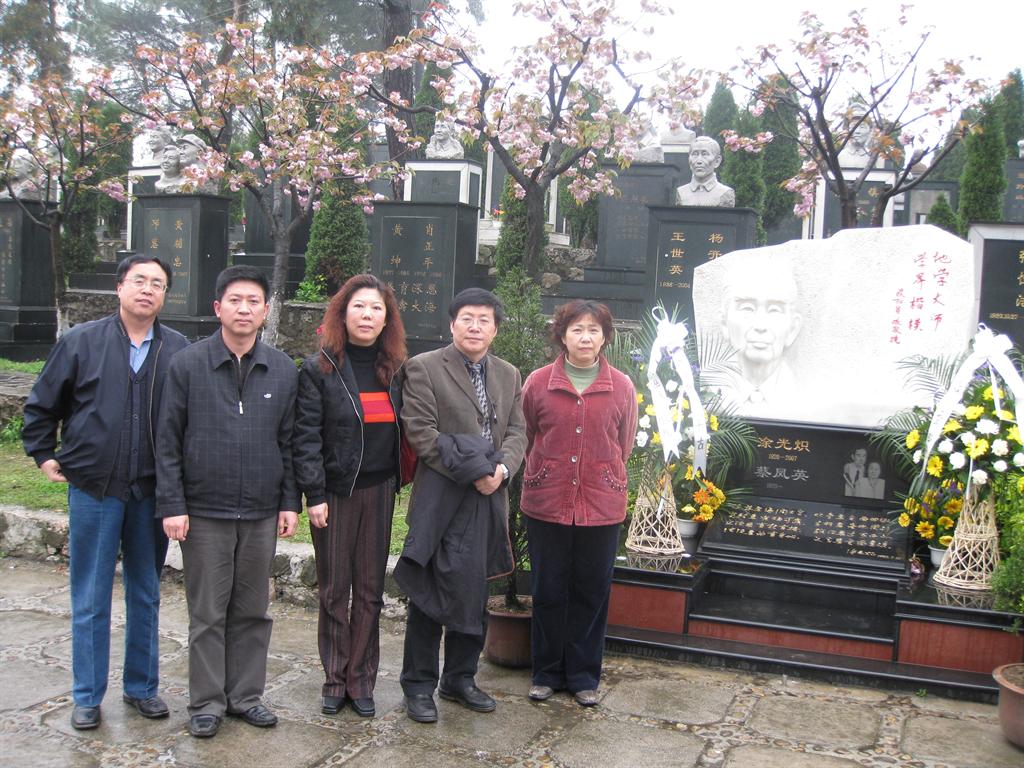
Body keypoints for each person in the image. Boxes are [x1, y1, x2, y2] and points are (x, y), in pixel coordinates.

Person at [22, 255, 188, 731]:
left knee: (146, 591)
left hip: (150, 491)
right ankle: (87, 695)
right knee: (91, 594)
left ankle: (142, 687)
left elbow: (188, 420)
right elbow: (43, 403)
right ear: (120, 287)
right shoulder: (81, 341)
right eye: (139, 281)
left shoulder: (177, 350)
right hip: (94, 488)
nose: (148, 290)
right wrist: (43, 453)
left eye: (158, 284)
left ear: (165, 295)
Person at [156, 265, 299, 739]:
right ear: (218, 307)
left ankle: (246, 696)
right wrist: (173, 504)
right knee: (208, 612)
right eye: (235, 300)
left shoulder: (281, 368)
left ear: (265, 310)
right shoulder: (188, 365)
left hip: (260, 511)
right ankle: (206, 702)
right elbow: (168, 441)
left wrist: (289, 502)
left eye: (253, 301)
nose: (244, 309)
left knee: (253, 610)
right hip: (204, 511)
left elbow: (288, 442)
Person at [395, 287, 527, 724]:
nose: (475, 326)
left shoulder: (508, 374)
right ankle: (418, 684)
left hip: (489, 498)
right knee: (429, 591)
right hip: (442, 497)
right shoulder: (425, 367)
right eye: (467, 318)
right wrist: (476, 470)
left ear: (495, 329)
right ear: (452, 324)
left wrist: (501, 471)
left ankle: (460, 678)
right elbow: (422, 432)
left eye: (484, 320)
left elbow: (517, 432)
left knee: (475, 589)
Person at [293, 275, 407, 719]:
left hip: (380, 491)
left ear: (386, 319)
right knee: (335, 590)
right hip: (337, 493)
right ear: (342, 314)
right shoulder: (320, 368)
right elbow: (306, 436)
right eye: (359, 306)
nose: (367, 315)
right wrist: (314, 493)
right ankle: (335, 678)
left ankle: (361, 680)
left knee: (372, 591)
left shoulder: (394, 369)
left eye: (376, 308)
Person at [520, 300, 637, 707]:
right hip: (547, 500)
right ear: (562, 335)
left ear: (605, 337)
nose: (585, 337)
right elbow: (527, 435)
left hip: (601, 504)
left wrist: (600, 474)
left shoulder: (622, 386)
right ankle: (546, 672)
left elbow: (623, 443)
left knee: (591, 590)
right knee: (548, 588)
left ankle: (584, 675)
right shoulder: (539, 382)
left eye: (593, 330)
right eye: (577, 329)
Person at [703, 261, 803, 418]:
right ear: (724, 322)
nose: (760, 326)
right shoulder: (705, 393)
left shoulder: (804, 399)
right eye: (747, 308)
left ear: (793, 329)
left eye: (774, 310)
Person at [675, 136, 735, 207]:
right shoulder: (681, 192)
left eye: (704, 154)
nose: (699, 161)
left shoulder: (725, 193)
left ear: (717, 161)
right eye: (695, 154)